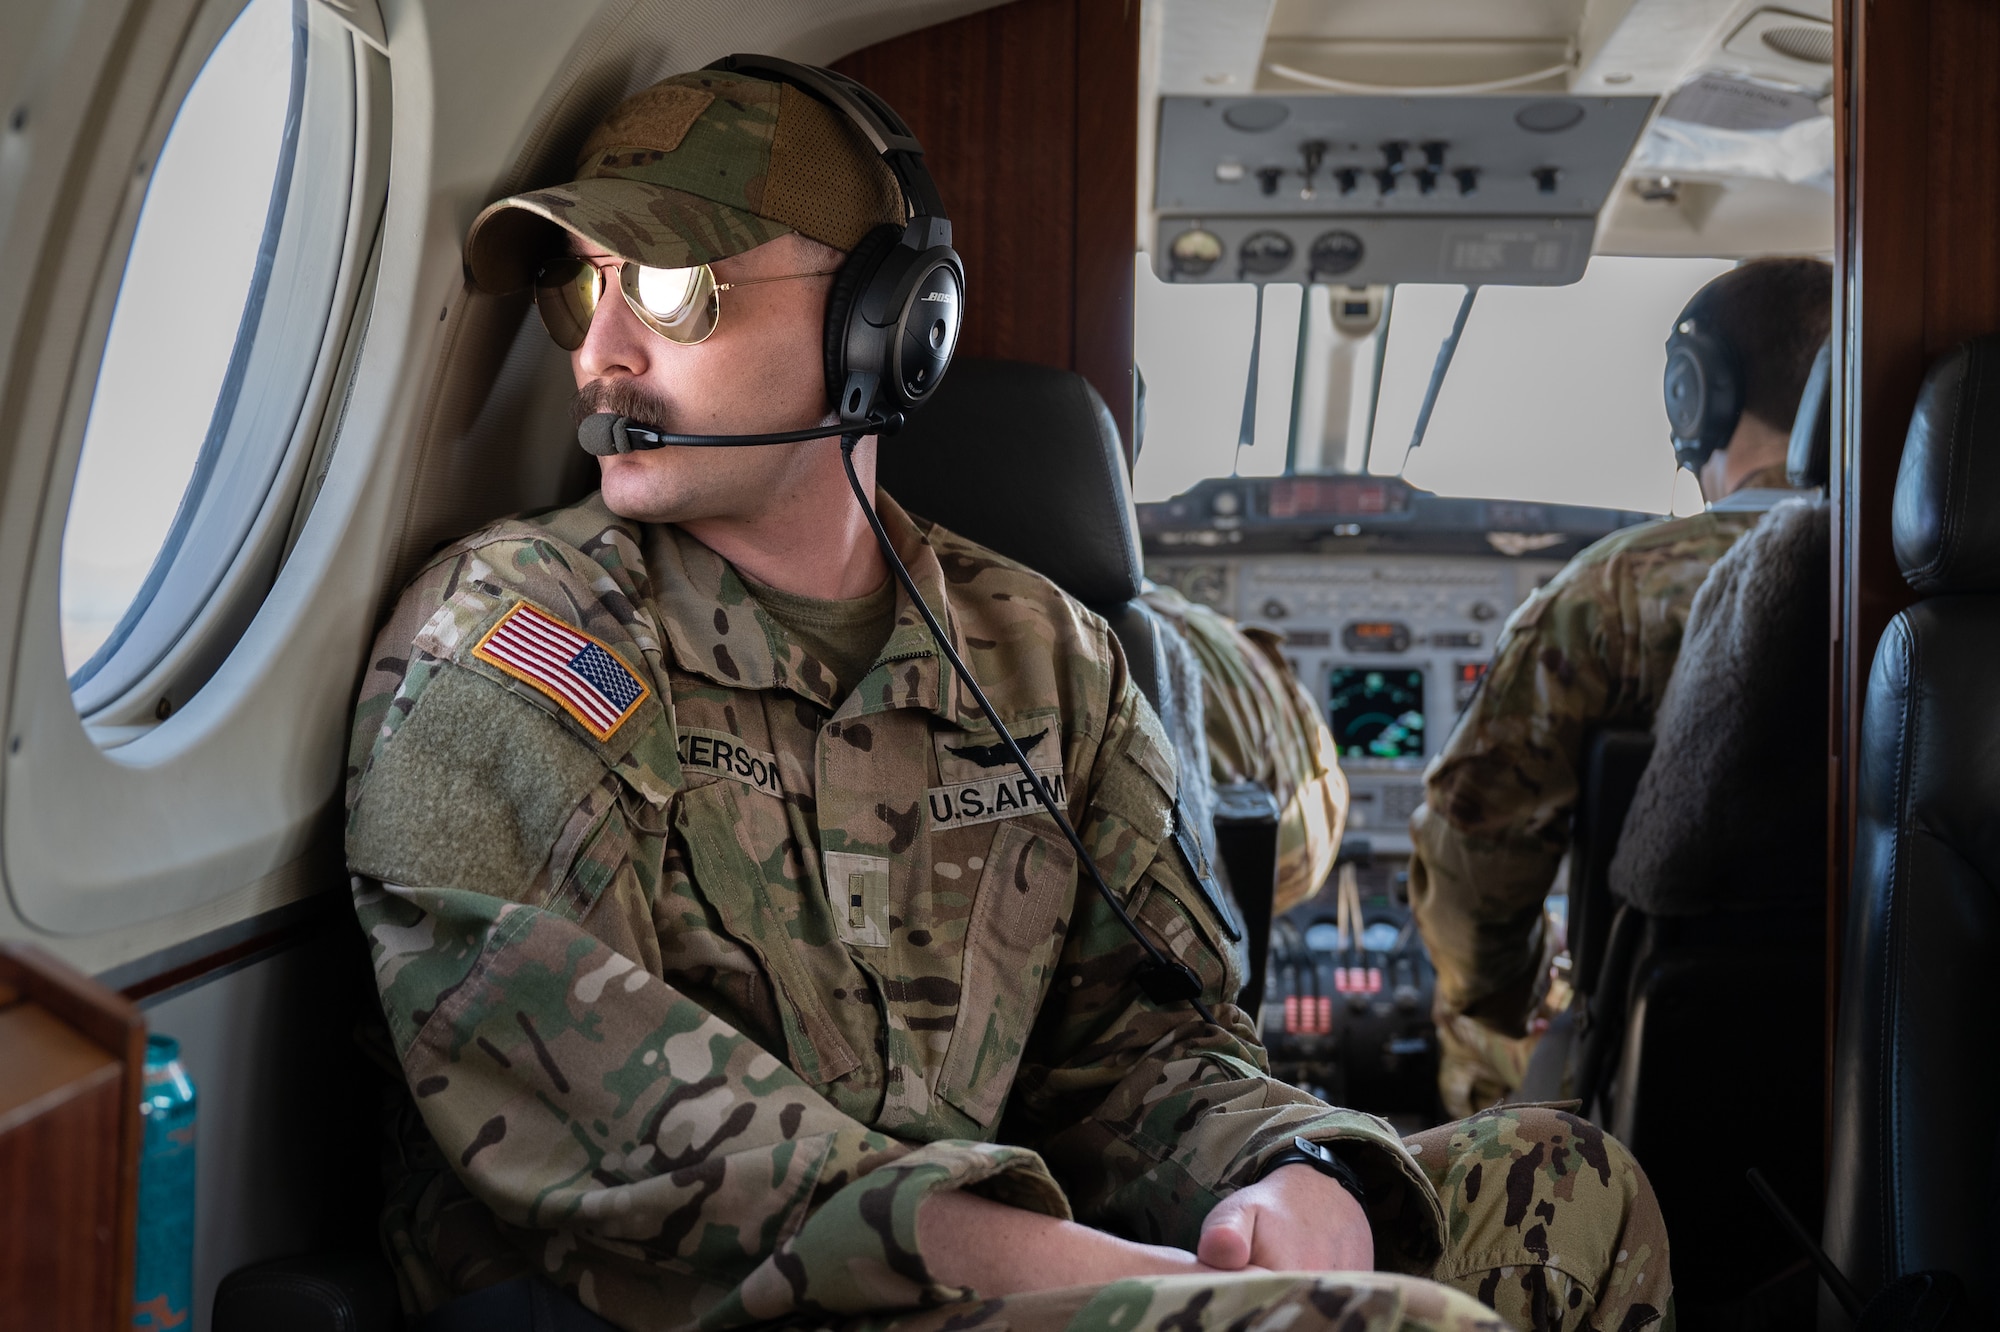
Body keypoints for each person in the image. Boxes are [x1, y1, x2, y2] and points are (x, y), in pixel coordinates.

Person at [345, 62, 1671, 1332]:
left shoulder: (1042, 653)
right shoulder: (524, 633)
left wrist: (1301, 1176)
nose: (604, 352)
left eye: (677, 288)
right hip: (718, 1307)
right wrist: (1087, 1268)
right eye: (585, 292)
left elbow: (1144, 1051)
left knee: (1573, 1193)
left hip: (1014, 1271)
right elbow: (626, 1130)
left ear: (883, 322)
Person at [1406, 257, 1833, 1118]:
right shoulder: (1927, 580)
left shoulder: (1610, 597)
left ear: (1695, 396)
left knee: (1469, 1019)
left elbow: (1473, 870)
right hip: (1909, 1054)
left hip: (1675, 1061)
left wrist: (1530, 990)